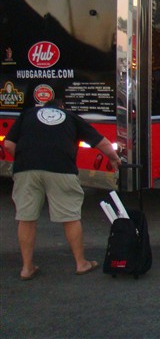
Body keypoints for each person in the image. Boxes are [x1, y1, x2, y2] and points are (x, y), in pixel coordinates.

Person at [4, 99, 121, 280]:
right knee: (70, 216)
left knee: (26, 218)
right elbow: (102, 142)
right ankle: (81, 263)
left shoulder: (27, 114)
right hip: (61, 169)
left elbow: (9, 145)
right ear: (62, 108)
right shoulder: (70, 117)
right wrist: (114, 159)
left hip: (26, 169)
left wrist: (24, 160)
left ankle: (27, 268)